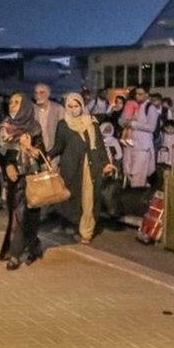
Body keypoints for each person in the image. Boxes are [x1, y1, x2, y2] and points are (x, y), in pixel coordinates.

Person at [47, 93, 113, 244]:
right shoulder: (63, 125)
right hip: (72, 167)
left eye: (76, 106)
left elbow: (100, 146)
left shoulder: (92, 123)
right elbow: (59, 145)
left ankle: (86, 231)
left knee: (90, 199)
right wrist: (47, 155)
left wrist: (106, 163)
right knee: (74, 197)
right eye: (70, 106)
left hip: (92, 166)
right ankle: (75, 225)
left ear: (82, 106)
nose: (73, 109)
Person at [0, 92, 46, 270]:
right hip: (14, 179)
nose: (12, 105)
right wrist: (8, 166)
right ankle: (20, 251)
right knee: (17, 216)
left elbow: (42, 155)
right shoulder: (5, 127)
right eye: (11, 102)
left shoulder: (34, 128)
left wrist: (28, 147)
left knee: (30, 218)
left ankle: (24, 250)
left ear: (25, 106)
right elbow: (2, 153)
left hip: (33, 179)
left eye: (17, 102)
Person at [119, 85, 159, 187]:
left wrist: (134, 124)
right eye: (136, 94)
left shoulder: (150, 108)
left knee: (138, 176)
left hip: (142, 147)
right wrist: (125, 122)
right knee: (128, 172)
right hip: (129, 145)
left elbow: (151, 127)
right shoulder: (131, 105)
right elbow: (121, 121)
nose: (137, 96)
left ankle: (137, 197)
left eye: (140, 94)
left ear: (147, 95)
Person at [32, 82, 65, 152]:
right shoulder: (31, 110)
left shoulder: (58, 109)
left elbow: (62, 133)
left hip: (53, 152)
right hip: (36, 151)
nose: (38, 96)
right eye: (36, 93)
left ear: (48, 94)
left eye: (41, 93)